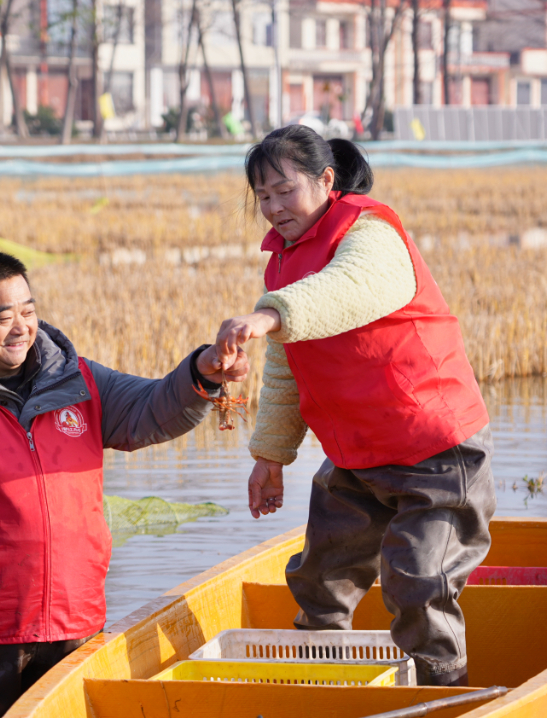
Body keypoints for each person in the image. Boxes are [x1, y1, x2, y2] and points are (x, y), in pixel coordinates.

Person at [0, 250, 248, 717]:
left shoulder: (80, 383)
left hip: (73, 622)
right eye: (3, 316)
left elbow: (151, 410)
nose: (21, 326)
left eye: (28, 310)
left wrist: (201, 372)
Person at [213, 125, 495, 688]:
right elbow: (290, 370)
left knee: (418, 582)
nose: (272, 207)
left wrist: (267, 316)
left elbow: (348, 288)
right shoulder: (284, 264)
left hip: (435, 451)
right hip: (357, 458)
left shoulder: (371, 234)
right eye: (262, 197)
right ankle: (321, 690)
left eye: (284, 191)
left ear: (326, 180)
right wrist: (270, 456)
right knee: (319, 580)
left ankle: (442, 694)